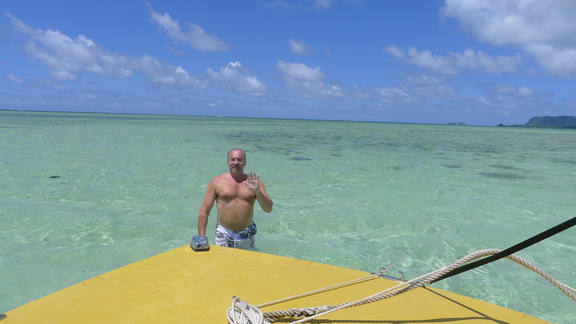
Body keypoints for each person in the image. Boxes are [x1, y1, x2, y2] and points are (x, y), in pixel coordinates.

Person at [197, 148, 273, 249]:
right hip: (223, 233)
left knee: (246, 264)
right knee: (222, 263)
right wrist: (201, 237)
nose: (236, 163)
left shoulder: (255, 183)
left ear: (245, 162)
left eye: (239, 160)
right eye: (233, 159)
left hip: (246, 233)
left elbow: (268, 209)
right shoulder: (216, 182)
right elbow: (205, 210)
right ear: (228, 162)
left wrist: (257, 192)